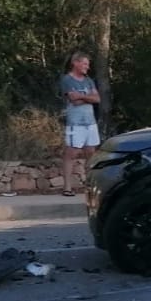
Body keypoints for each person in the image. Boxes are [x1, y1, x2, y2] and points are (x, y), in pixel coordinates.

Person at [59, 51, 101, 197]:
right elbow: (74, 101)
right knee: (72, 153)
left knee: (91, 153)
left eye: (88, 64)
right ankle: (67, 187)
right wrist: (88, 97)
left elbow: (97, 99)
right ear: (75, 63)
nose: (87, 67)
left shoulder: (89, 80)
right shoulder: (67, 80)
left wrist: (82, 96)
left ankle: (89, 186)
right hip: (76, 123)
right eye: (84, 63)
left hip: (90, 122)